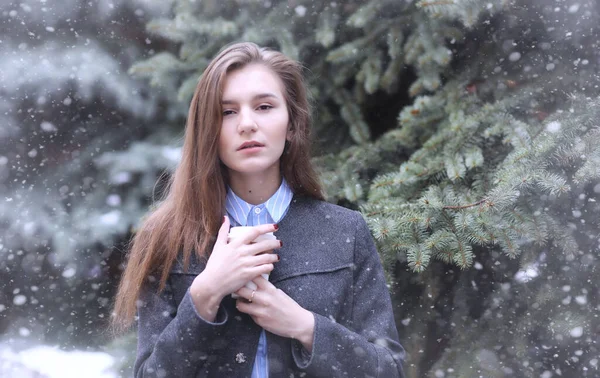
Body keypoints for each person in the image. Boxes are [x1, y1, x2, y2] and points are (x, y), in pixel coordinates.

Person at [111, 42, 405, 378]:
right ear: (209, 130)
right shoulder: (167, 238)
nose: (247, 124)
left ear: (292, 124)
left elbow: (389, 370)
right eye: (228, 112)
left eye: (264, 106)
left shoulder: (345, 231)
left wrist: (307, 328)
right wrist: (205, 295)